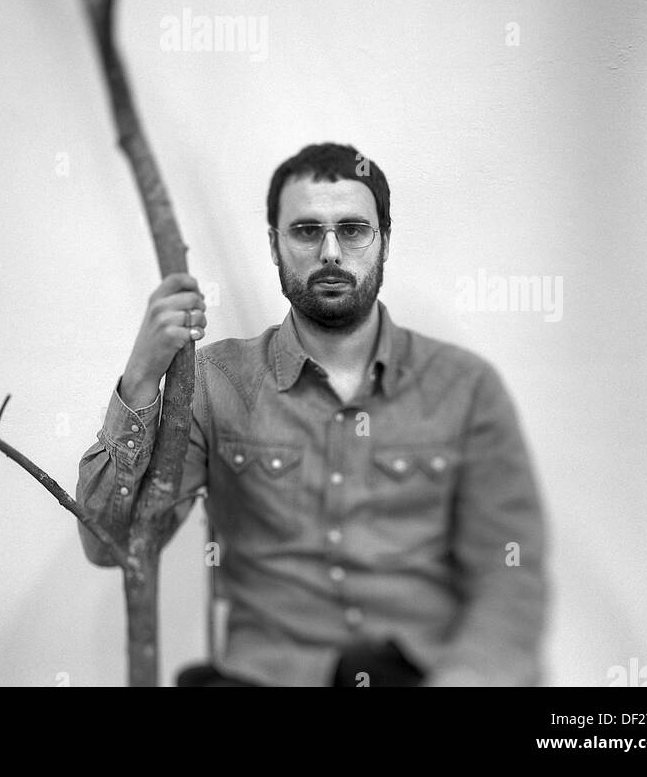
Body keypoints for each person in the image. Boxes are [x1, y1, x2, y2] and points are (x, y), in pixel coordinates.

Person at [76, 141, 548, 686]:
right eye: (306, 231)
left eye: (352, 230)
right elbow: (110, 544)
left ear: (385, 242)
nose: (330, 251)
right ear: (275, 246)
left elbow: (509, 576)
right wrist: (139, 380)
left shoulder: (464, 387)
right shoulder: (215, 383)